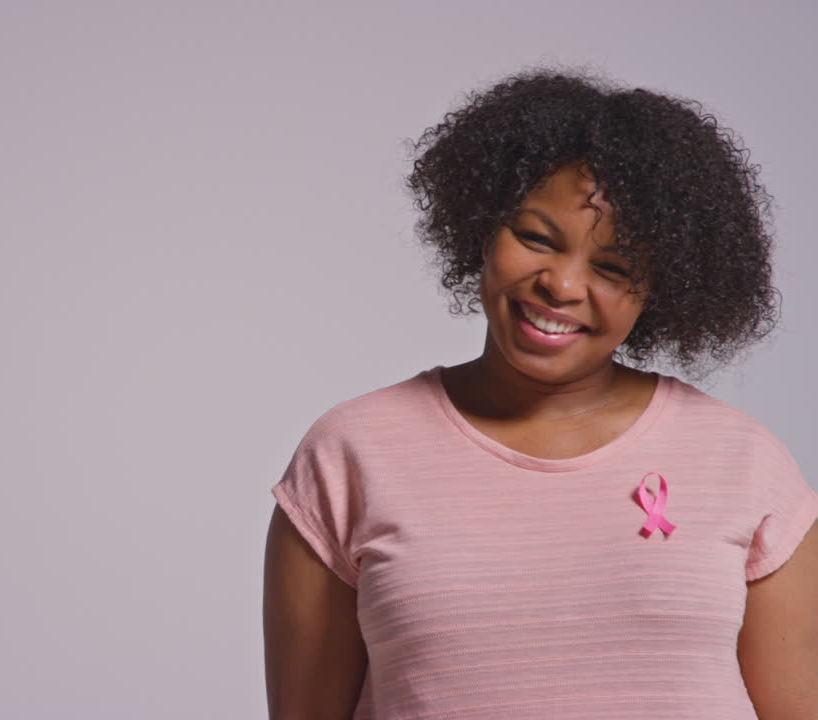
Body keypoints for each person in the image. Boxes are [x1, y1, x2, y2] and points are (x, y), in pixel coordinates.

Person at [262, 67, 818, 720]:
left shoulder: (743, 460)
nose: (562, 285)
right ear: (482, 225)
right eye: (534, 238)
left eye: (612, 269)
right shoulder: (350, 453)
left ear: (662, 290)